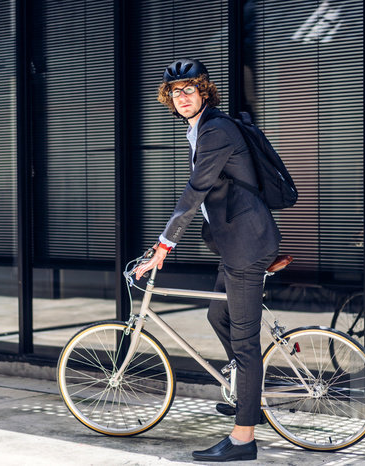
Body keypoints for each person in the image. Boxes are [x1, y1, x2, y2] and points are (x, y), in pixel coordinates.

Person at [134, 58, 281, 462]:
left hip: (247, 247)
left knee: (245, 344)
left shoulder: (215, 130)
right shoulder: (199, 128)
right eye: (174, 92)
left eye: (189, 89)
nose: (182, 98)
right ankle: (248, 398)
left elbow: (195, 191)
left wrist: (163, 246)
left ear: (204, 91)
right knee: (219, 318)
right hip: (235, 243)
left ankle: (243, 439)